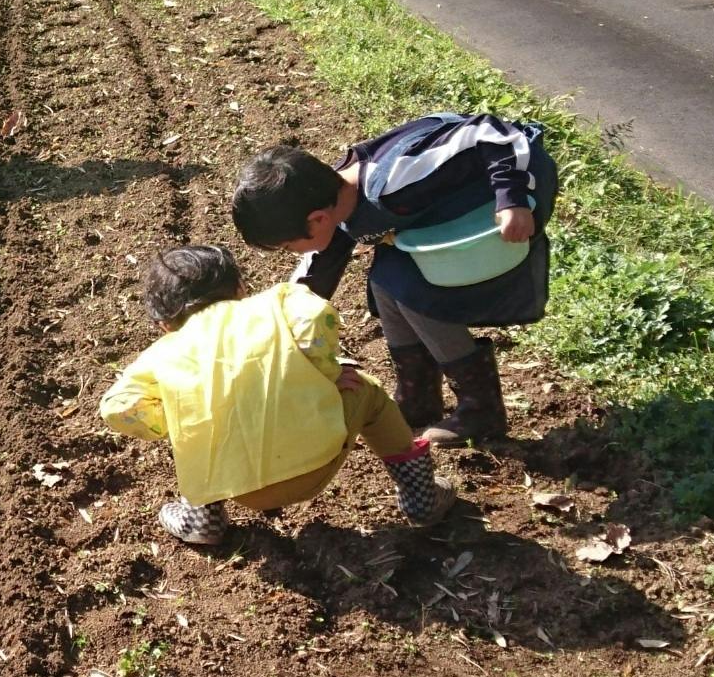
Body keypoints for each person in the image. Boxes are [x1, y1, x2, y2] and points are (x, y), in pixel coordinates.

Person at [229, 115, 556, 446]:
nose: (291, 252)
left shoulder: (396, 180)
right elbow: (314, 274)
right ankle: (419, 398)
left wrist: (511, 198)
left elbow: (490, 132)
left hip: (510, 193)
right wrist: (279, 328)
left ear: (317, 219)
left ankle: (482, 408)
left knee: (410, 288)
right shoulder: (333, 201)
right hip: (450, 211)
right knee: (386, 280)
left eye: (288, 246)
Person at [99, 245, 455, 547]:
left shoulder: (164, 351)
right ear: (241, 287)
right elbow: (317, 316)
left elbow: (118, 406)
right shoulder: (278, 303)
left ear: (164, 324)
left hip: (237, 488)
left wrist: (171, 421)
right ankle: (421, 498)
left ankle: (201, 519)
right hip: (316, 461)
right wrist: (327, 373)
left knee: (189, 416)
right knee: (368, 390)